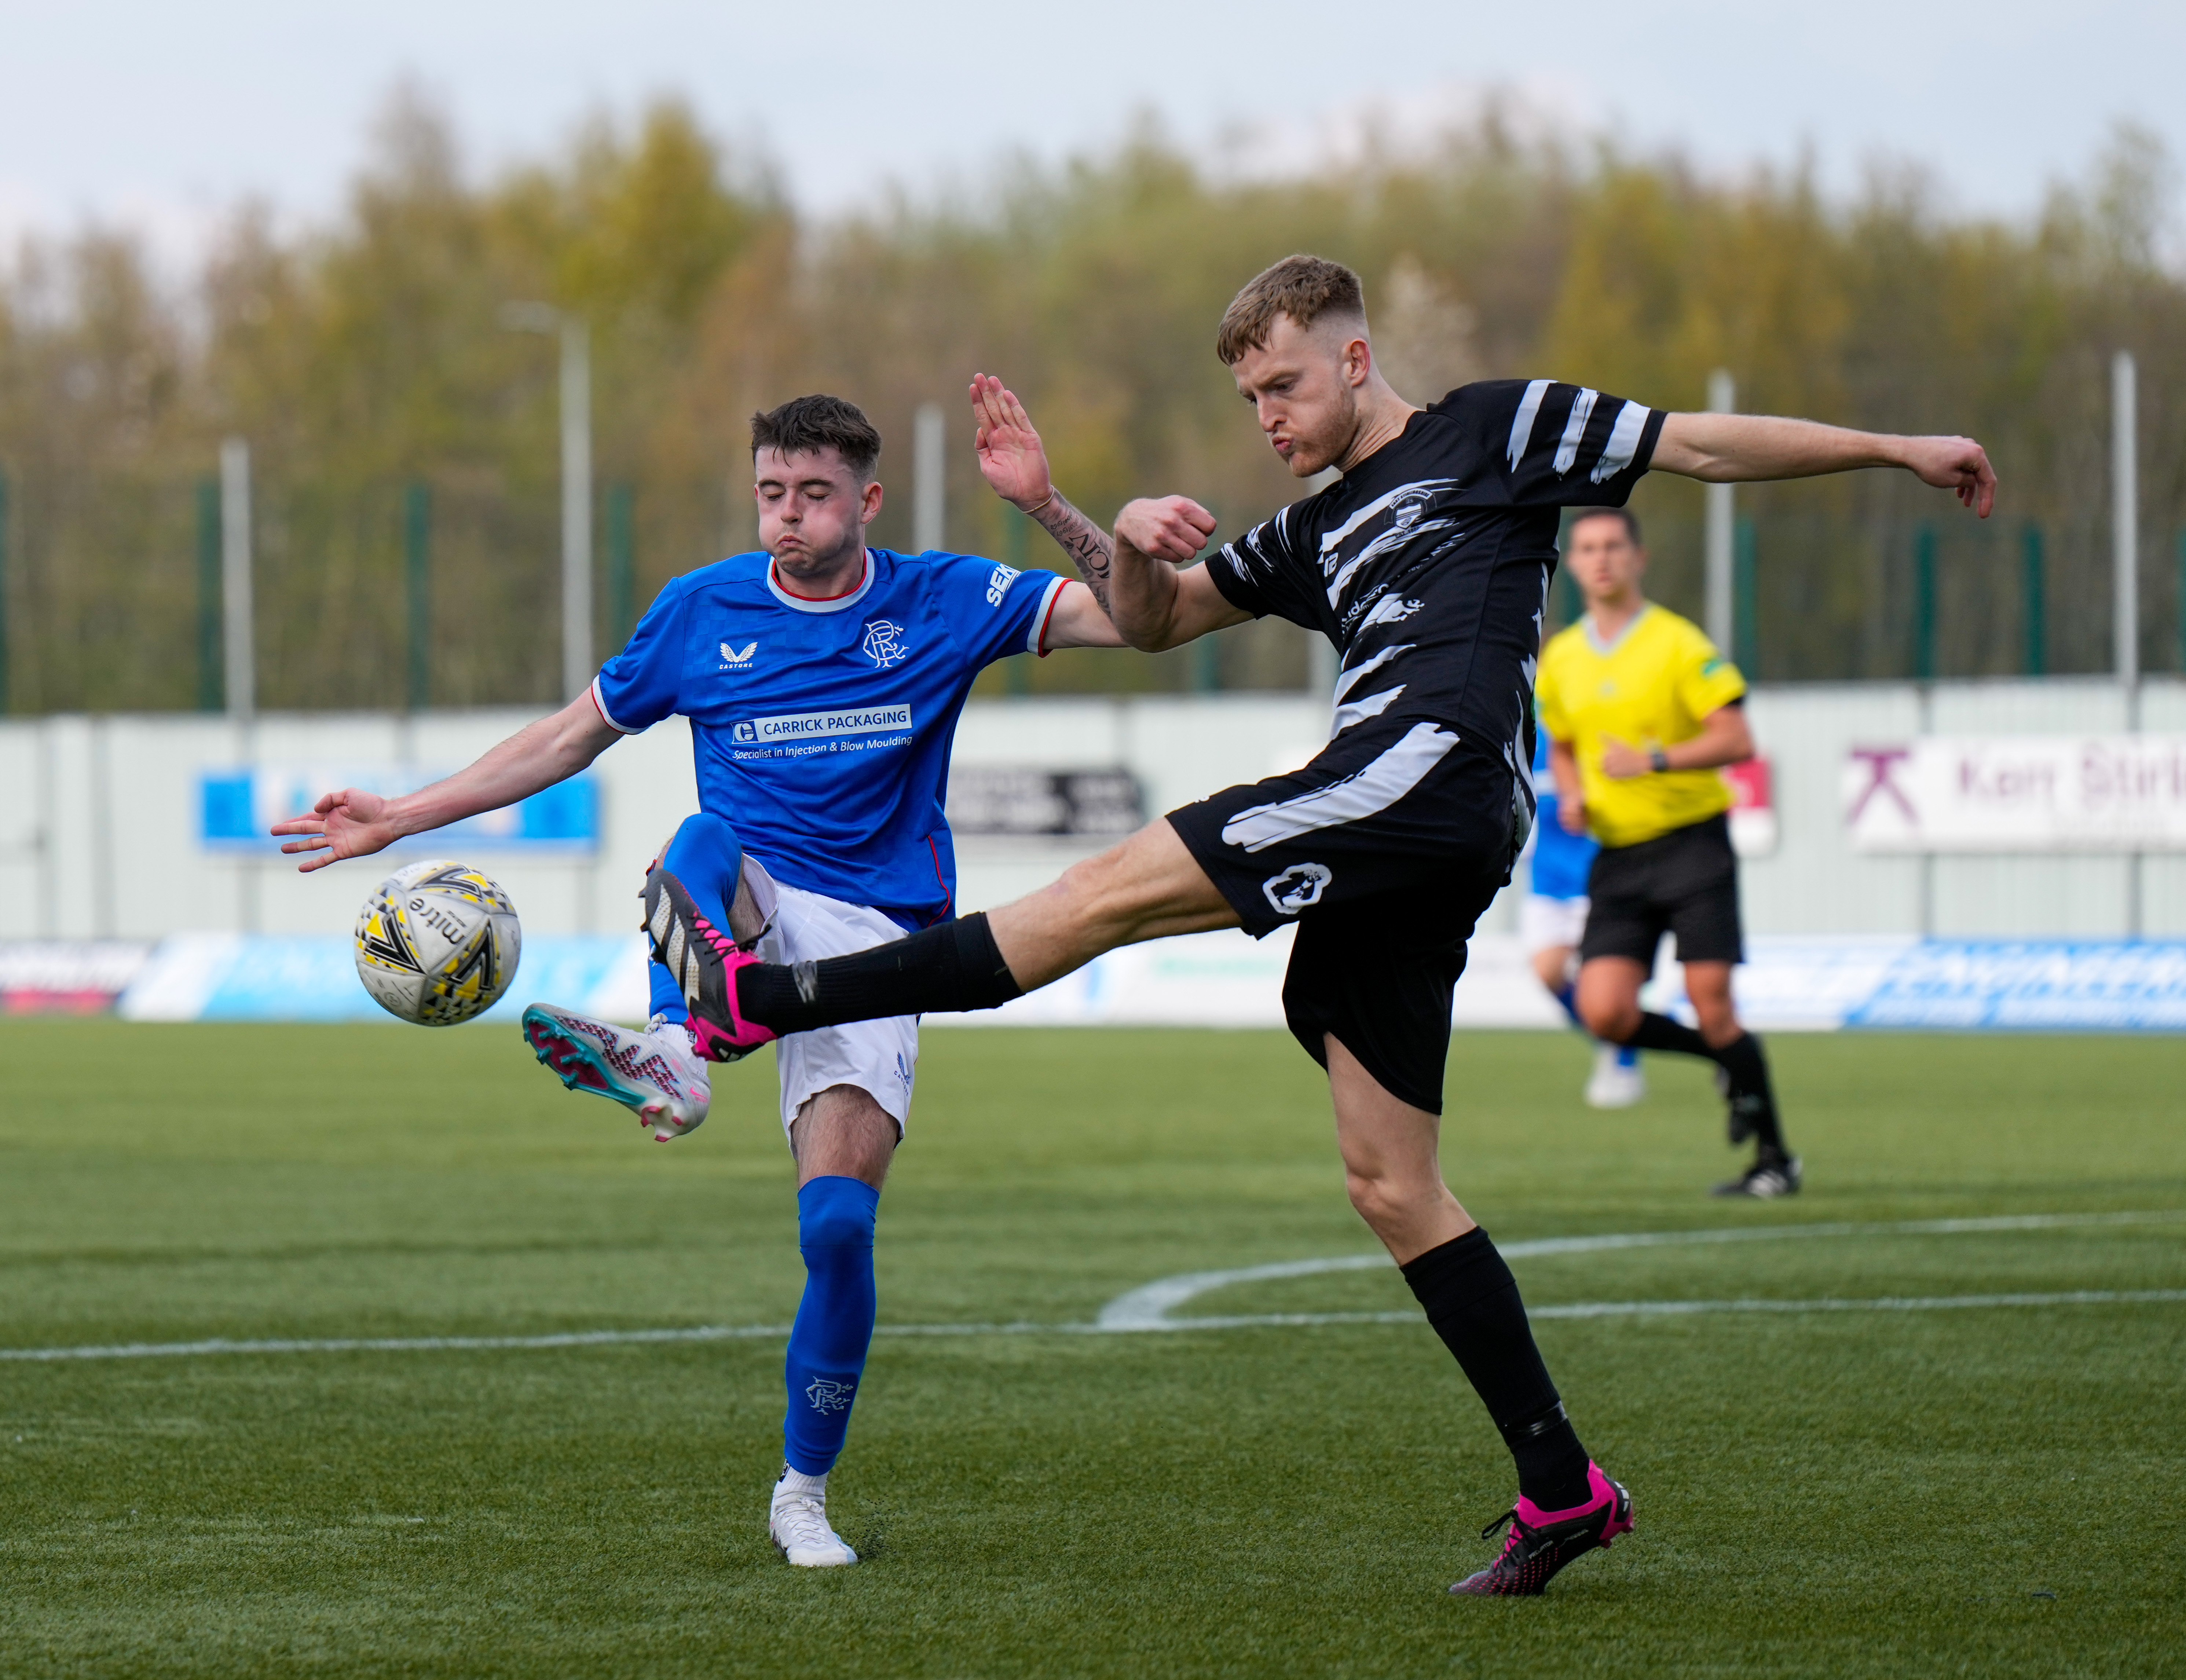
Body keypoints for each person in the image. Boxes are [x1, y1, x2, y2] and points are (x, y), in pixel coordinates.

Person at [653, 255, 1996, 1596]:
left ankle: (751, 1002)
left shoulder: (1495, 427)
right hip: (1406, 842)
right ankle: (1561, 1484)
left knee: (1098, 894)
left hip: (1421, 771)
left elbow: (1693, 442)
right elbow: (1157, 619)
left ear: (1353, 360)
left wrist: (1895, 448)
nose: (1268, 419)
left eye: (1282, 384)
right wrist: (1080, 517)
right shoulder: (1309, 531)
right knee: (1387, 1180)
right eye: (1248, 399)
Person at [270, 392, 1174, 1570]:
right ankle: (677, 1054)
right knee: (697, 839)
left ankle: (802, 1493)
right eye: (769, 493)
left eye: (810, 496)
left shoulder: (946, 598)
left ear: (867, 501)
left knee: (841, 1231)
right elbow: (566, 738)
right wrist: (405, 813)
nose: (785, 519)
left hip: (880, 940)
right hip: (747, 897)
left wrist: (1047, 504)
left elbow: (1138, 623)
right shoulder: (702, 612)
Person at [1538, 507, 1791, 1196]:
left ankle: (1774, 1161)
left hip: (1692, 847)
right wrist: (1571, 793)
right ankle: (1726, 1060)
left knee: (1712, 1002)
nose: (1600, 559)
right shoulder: (1561, 657)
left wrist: (1655, 759)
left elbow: (1737, 739)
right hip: (1618, 854)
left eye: (1614, 546)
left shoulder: (1677, 643)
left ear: (1638, 558)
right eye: (1586, 548)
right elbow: (1560, 741)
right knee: (1603, 1011)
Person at [1519, 717, 1644, 1108]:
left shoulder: (1595, 726)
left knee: (1606, 986)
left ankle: (1624, 1056)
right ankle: (1611, 1042)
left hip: (1599, 872)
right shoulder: (1526, 729)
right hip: (1547, 877)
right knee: (1548, 972)